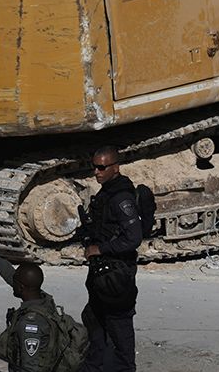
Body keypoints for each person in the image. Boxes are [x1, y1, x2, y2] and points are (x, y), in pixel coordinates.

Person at [0, 237, 82, 372]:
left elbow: (30, 366)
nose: (12, 281)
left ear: (21, 287)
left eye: (15, 281)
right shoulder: (45, 301)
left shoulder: (31, 324)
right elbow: (11, 274)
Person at [79, 146, 143, 372]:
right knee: (94, 319)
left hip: (117, 275)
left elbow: (134, 238)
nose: (96, 172)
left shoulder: (121, 197)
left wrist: (101, 248)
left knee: (119, 326)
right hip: (101, 273)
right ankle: (95, 365)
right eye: (94, 167)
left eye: (101, 167)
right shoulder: (106, 193)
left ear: (115, 168)